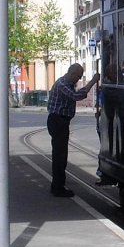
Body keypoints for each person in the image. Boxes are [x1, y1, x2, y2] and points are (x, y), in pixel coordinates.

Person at [47, 63, 100, 197]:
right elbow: (77, 96)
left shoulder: (67, 83)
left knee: (61, 155)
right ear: (73, 74)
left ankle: (58, 185)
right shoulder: (62, 85)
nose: (78, 79)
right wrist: (93, 81)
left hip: (61, 121)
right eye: (78, 77)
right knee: (60, 155)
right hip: (58, 121)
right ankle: (58, 187)